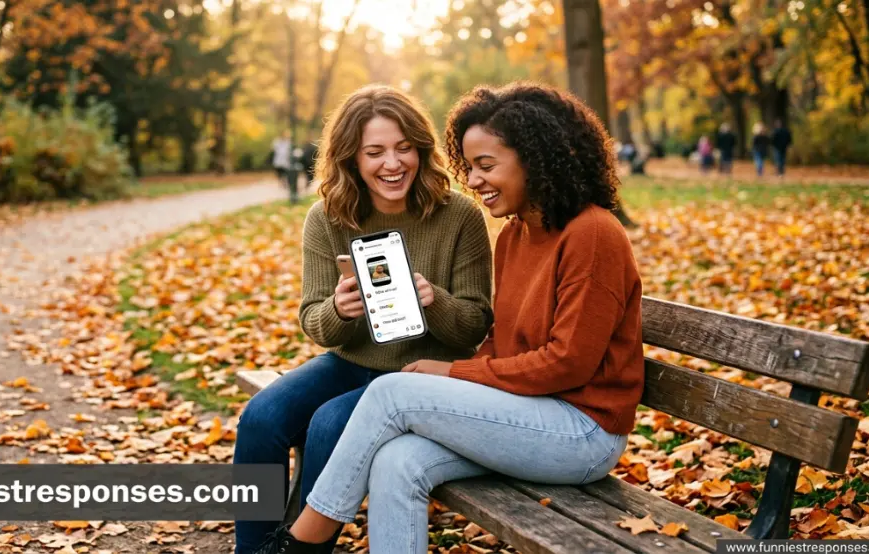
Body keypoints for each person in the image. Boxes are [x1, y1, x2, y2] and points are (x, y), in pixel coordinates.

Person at [252, 81, 644, 554]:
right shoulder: (517, 234)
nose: (473, 180)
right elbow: (502, 341)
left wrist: (454, 370)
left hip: (583, 432)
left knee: (390, 392)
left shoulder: (594, 234)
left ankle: (299, 543)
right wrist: (343, 310)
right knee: (396, 462)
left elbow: (569, 364)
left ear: (534, 161)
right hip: (524, 412)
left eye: (485, 166)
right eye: (469, 166)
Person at [233, 84, 495, 554]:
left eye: (403, 148)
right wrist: (340, 310)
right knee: (261, 418)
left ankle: (301, 549)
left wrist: (434, 301)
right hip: (350, 362)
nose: (392, 164)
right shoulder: (327, 217)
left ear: (421, 148)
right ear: (351, 158)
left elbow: (474, 324)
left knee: (329, 425)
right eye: (374, 152)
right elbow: (313, 320)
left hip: (420, 377)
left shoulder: (460, 216)